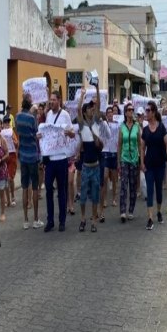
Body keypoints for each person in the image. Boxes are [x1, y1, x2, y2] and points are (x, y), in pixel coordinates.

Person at [41, 90, 74, 233]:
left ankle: (62, 220)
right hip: (50, 159)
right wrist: (40, 136)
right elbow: (47, 134)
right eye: (50, 100)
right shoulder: (48, 115)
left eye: (54, 100)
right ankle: (50, 220)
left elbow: (73, 133)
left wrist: (68, 133)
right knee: (48, 187)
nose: (51, 102)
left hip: (61, 158)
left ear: (59, 101)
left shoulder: (65, 115)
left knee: (62, 189)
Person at [140, 101, 167, 230]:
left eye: (148, 111)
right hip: (149, 165)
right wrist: (141, 162)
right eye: (146, 111)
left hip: (160, 165)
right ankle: (150, 218)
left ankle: (159, 211)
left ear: (153, 112)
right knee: (149, 190)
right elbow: (142, 148)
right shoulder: (146, 130)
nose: (146, 113)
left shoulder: (161, 127)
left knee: (159, 190)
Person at [76, 86, 104, 233]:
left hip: (96, 166)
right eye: (90, 109)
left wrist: (97, 88)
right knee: (82, 197)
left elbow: (99, 104)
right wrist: (82, 95)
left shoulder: (97, 122)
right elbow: (78, 109)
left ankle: (94, 219)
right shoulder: (82, 124)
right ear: (86, 111)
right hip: (86, 167)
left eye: (94, 109)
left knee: (95, 196)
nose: (93, 110)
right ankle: (82, 219)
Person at [16, 95, 44, 229]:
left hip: (23, 155)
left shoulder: (17, 117)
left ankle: (25, 220)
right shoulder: (32, 118)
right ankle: (36, 219)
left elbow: (19, 132)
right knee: (34, 187)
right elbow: (36, 133)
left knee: (24, 187)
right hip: (33, 155)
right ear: (30, 104)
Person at [117, 103, 142, 222]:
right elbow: (119, 145)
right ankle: (122, 211)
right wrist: (118, 163)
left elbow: (140, 143)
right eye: (129, 110)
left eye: (132, 110)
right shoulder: (122, 127)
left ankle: (131, 210)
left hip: (134, 160)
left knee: (133, 186)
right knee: (123, 185)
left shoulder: (137, 126)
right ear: (125, 112)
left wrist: (141, 159)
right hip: (124, 159)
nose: (131, 112)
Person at [99, 106, 119, 218]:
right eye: (108, 113)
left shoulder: (117, 124)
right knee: (105, 176)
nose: (110, 114)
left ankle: (114, 198)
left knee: (115, 177)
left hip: (114, 151)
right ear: (106, 114)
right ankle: (105, 198)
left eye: (112, 112)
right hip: (105, 151)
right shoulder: (103, 124)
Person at [1, 115, 18, 207]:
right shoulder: (1, 133)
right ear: (3, 124)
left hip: (12, 156)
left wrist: (14, 141)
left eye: (8, 122)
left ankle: (12, 197)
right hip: (4, 156)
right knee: (4, 178)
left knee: (10, 178)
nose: (7, 124)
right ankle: (7, 199)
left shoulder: (12, 132)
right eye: (5, 122)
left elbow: (16, 144)